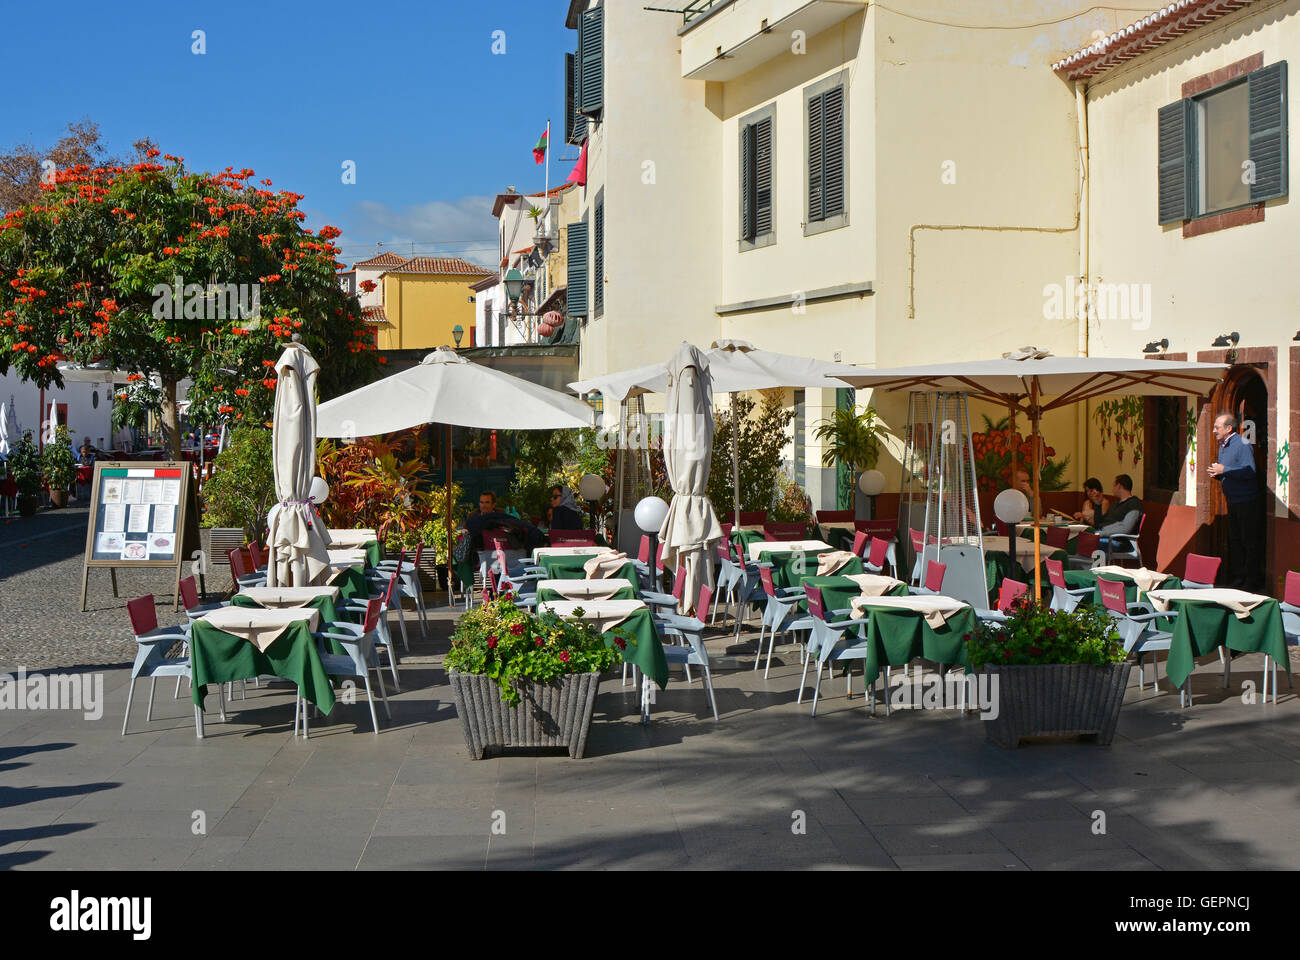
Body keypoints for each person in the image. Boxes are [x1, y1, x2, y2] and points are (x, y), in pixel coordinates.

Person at [1208, 411, 1262, 592]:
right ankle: (1239, 577)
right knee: (1235, 540)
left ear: (1228, 428)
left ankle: (1251, 580)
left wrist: (1225, 469)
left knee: (1248, 541)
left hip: (1247, 501)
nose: (1214, 430)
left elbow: (1249, 472)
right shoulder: (1224, 445)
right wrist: (1218, 473)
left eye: (1217, 427)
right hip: (1232, 500)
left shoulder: (1243, 443)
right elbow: (1231, 472)